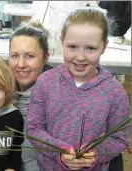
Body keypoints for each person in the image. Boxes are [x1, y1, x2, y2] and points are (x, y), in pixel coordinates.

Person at [26, 8, 129, 171]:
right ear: (62, 41)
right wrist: (59, 151)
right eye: (72, 46)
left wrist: (95, 154)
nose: (80, 57)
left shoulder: (115, 92)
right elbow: (33, 129)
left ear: (104, 46)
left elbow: (120, 139)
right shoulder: (46, 82)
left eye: (91, 48)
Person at [9, 21, 53, 171]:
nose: (21, 64)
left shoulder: (58, 99)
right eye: (15, 56)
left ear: (46, 57)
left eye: (29, 56)